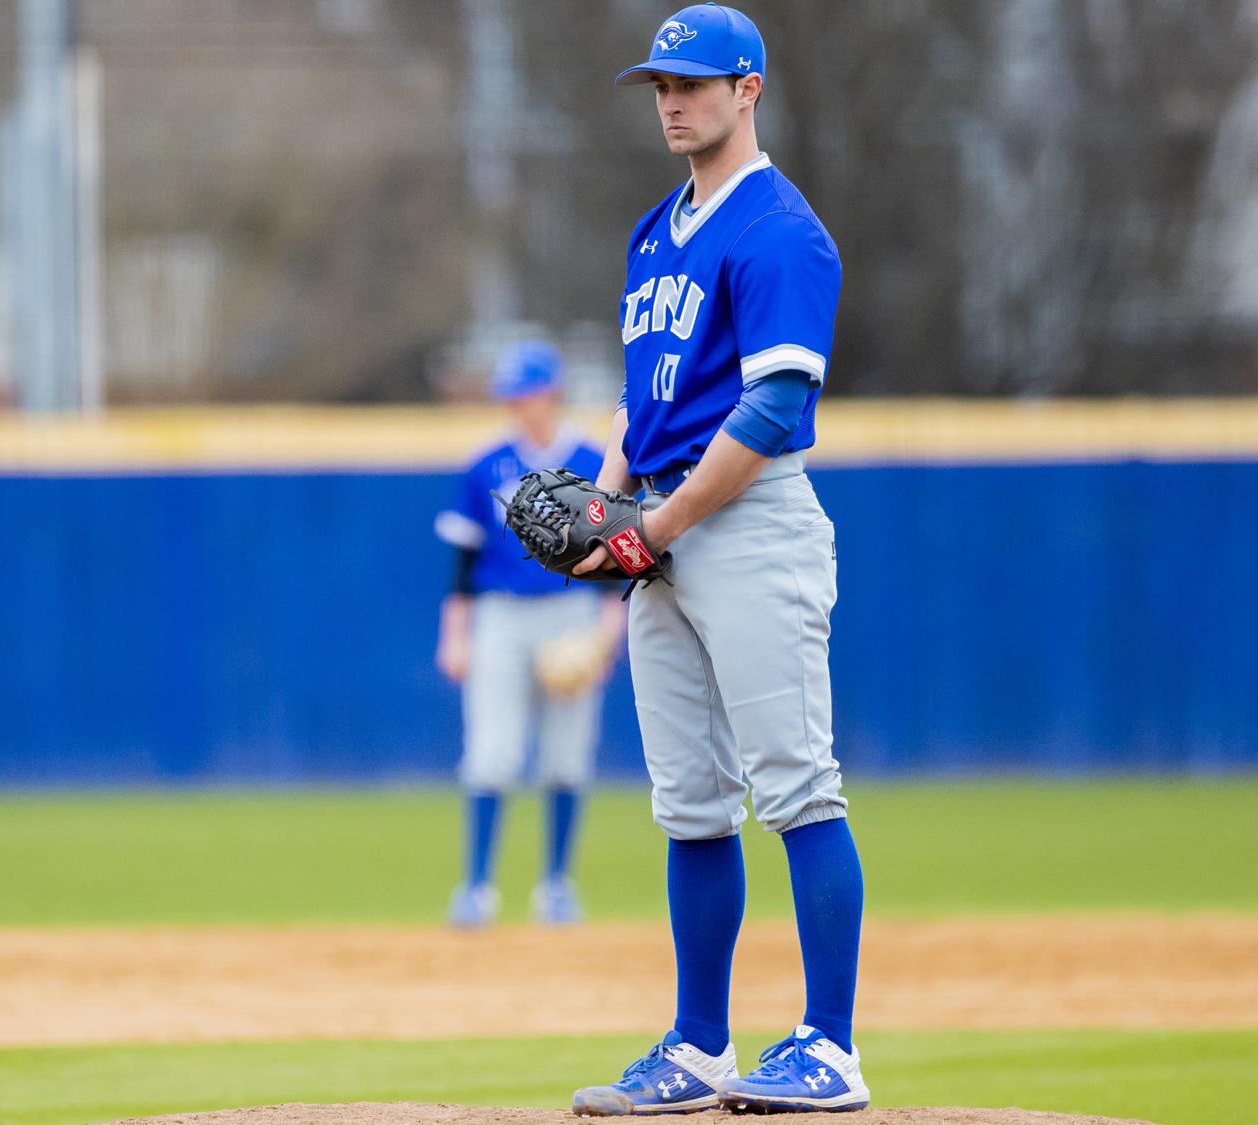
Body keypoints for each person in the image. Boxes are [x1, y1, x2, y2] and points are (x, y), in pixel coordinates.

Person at [568, 5, 870, 1115]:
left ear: (748, 89)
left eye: (692, 82)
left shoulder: (779, 230)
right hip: (660, 525)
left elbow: (778, 397)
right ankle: (698, 1049)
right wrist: (607, 510)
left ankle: (827, 1047)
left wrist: (661, 523)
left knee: (794, 785)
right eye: (658, 85)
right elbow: (633, 397)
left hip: (744, 522)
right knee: (688, 803)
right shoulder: (655, 230)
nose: (671, 101)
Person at [435, 341, 624, 927]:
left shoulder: (595, 458)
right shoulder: (484, 464)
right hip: (500, 615)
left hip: (572, 615)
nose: (519, 406)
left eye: (527, 393)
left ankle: (557, 886)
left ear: (552, 393)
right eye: (512, 396)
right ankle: (476, 888)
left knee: (567, 756)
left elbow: (619, 550)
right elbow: (463, 562)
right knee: (492, 752)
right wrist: (455, 635)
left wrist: (608, 634)